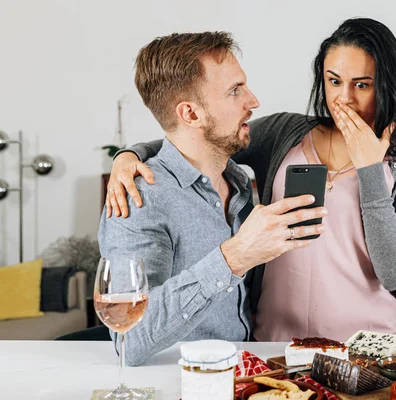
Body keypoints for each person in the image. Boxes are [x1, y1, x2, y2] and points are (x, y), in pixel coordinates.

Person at [107, 18, 396, 343]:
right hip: (274, 344)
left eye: (363, 84)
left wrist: (370, 170)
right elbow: (196, 137)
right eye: (334, 81)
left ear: (386, 85)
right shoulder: (285, 133)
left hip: (369, 344)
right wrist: (129, 156)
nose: (345, 99)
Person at [98, 32, 327, 366]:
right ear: (191, 114)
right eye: (235, 91)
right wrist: (233, 258)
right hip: (176, 384)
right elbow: (130, 338)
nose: (253, 101)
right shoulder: (138, 196)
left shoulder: (239, 182)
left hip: (244, 374)